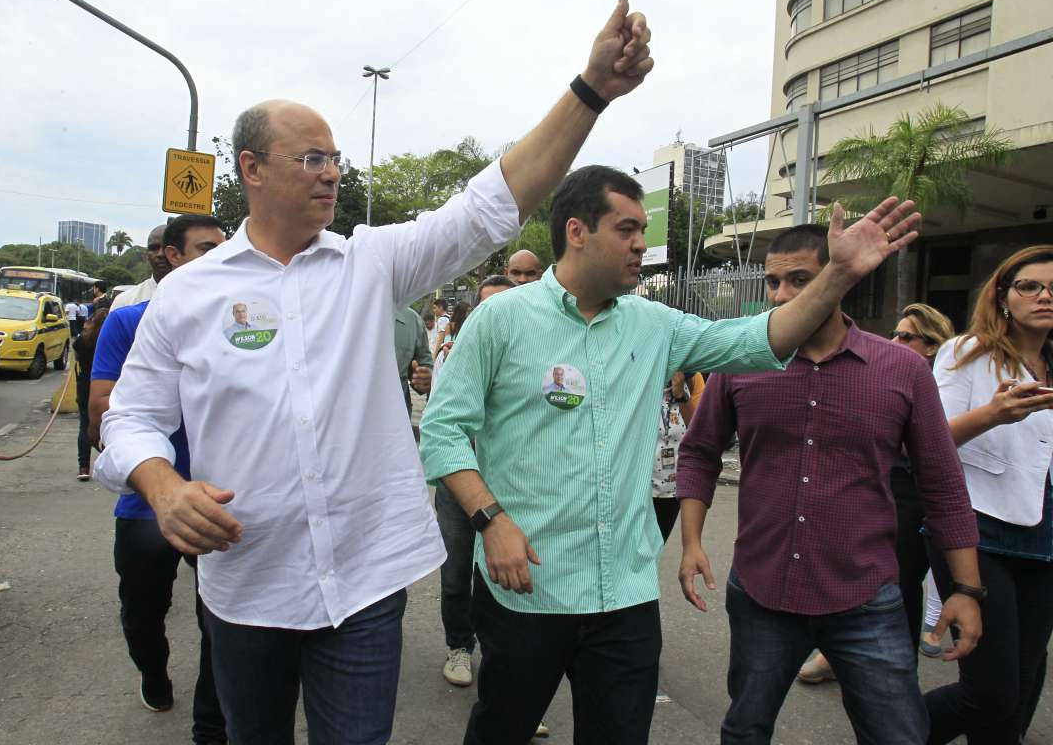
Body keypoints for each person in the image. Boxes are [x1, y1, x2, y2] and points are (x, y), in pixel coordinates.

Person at [93, 0, 655, 745]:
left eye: (335, 159)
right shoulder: (190, 294)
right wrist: (162, 488)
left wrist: (591, 91)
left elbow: (491, 203)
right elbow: (128, 418)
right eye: (312, 159)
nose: (331, 174)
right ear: (252, 169)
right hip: (247, 585)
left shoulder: (370, 264)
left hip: (363, 586)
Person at [421, 168, 923, 745]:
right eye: (628, 228)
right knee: (501, 731)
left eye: (643, 229)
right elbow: (444, 430)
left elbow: (759, 339)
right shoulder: (501, 319)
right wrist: (491, 520)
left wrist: (837, 274)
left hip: (625, 597)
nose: (640, 243)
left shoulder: (655, 324)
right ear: (578, 231)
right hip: (528, 588)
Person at [674, 225, 982, 745]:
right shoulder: (743, 361)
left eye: (799, 279)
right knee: (745, 728)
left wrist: (967, 589)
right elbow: (701, 450)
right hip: (761, 593)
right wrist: (690, 542)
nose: (780, 295)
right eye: (773, 281)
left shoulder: (902, 370)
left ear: (839, 280)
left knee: (898, 735)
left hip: (867, 598)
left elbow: (943, 482)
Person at [89, 213, 227, 744]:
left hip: (221, 496)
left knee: (221, 618)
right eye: (204, 249)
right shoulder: (130, 321)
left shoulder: (245, 320)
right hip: (149, 505)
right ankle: (153, 670)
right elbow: (104, 409)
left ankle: (211, 724)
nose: (218, 258)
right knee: (143, 609)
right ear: (173, 256)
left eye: (224, 247)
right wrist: (156, 471)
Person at [923, 244, 1053, 745]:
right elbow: (930, 441)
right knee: (989, 692)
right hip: (976, 530)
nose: (1044, 296)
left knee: (1022, 682)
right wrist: (995, 413)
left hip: (1043, 534)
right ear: (1003, 295)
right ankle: (893, 728)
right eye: (1030, 286)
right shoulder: (966, 353)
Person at [797, 301, 956, 683]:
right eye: (895, 333)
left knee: (901, 583)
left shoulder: (938, 379)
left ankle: (897, 669)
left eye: (907, 336)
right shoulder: (883, 371)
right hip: (895, 484)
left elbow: (932, 452)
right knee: (886, 575)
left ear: (932, 345)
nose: (896, 340)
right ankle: (840, 653)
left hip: (928, 491)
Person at [433, 277, 516, 687]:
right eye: (487, 308)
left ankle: (506, 674)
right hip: (458, 480)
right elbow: (440, 422)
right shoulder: (453, 356)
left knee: (505, 577)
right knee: (456, 572)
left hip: (509, 480)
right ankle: (459, 646)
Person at [650, 370, 705, 544]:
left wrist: (681, 394)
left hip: (672, 487)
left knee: (658, 544)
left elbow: (699, 429)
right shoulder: (642, 372)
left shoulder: (692, 378)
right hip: (638, 483)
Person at [72, 307, 108, 481]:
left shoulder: (83, 341)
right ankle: (110, 463)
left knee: (84, 425)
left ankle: (83, 466)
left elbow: (77, 357)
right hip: (107, 386)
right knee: (111, 424)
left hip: (85, 385)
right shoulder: (109, 339)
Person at [112, 225, 169, 310]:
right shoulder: (124, 302)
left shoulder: (194, 298)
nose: (161, 254)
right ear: (146, 255)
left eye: (167, 247)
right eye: (154, 248)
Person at [393, 305, 433, 419]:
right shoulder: (342, 309)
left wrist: (425, 377)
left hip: (398, 417)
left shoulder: (412, 319)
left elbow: (424, 361)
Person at [433, 301, 471, 386]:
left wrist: (435, 355)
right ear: (462, 312)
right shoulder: (465, 326)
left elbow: (442, 340)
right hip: (455, 355)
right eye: (468, 311)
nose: (469, 314)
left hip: (447, 355)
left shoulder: (449, 325)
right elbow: (443, 340)